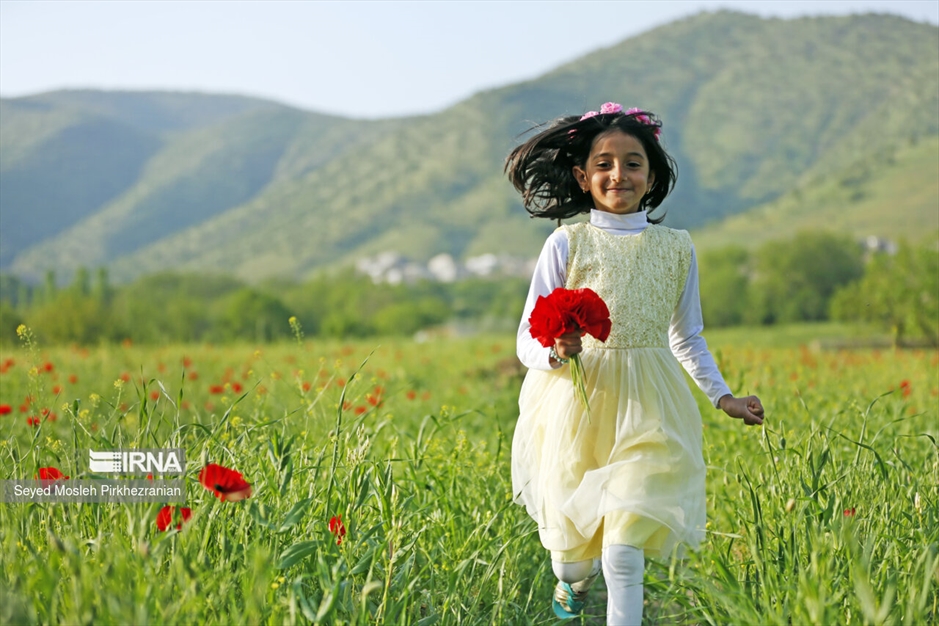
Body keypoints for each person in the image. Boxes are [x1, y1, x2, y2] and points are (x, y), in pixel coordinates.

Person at [505, 102, 765, 624]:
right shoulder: (567, 243)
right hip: (577, 403)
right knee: (573, 560)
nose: (618, 174)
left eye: (632, 163)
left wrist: (724, 397)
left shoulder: (677, 249)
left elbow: (687, 336)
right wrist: (557, 350)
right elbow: (525, 340)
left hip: (650, 405)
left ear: (653, 176)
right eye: (603, 163)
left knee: (623, 552)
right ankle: (572, 584)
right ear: (583, 176)